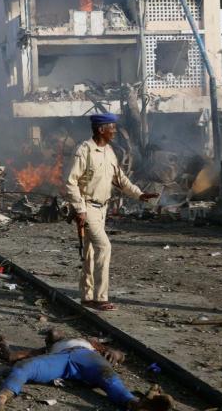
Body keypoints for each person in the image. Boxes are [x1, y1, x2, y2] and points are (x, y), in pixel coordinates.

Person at [64, 113, 158, 311]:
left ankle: (87, 296)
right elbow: (70, 182)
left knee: (90, 253)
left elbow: (120, 179)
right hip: (87, 207)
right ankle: (100, 298)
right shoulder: (84, 150)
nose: (115, 131)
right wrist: (79, 209)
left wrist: (139, 194)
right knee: (104, 247)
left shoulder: (109, 151)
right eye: (112, 128)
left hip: (103, 208)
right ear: (101, 129)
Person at [0, 329, 174, 411]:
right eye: (49, 334)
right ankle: (0, 399)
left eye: (54, 332)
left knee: (109, 377)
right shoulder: (45, 349)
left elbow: (121, 355)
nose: (52, 333)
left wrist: (113, 353)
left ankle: (135, 404)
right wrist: (2, 344)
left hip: (87, 357)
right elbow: (13, 357)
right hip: (59, 362)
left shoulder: (88, 341)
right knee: (25, 366)